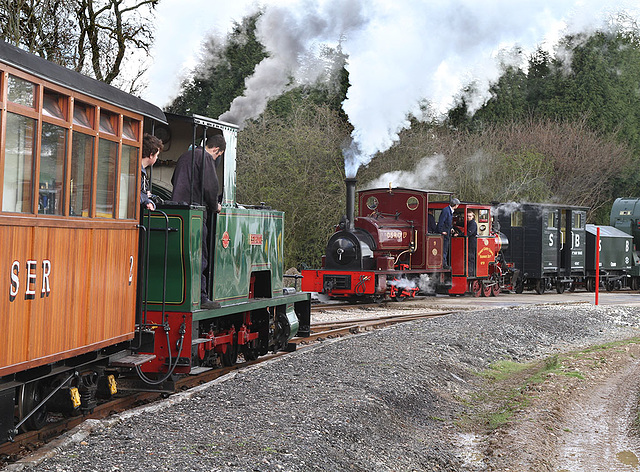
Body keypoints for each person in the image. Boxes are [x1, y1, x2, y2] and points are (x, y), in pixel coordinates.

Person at [171, 134, 226, 310]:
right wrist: (214, 205)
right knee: (199, 257)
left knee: (179, 256)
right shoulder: (206, 157)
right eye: (218, 155)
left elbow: (174, 180)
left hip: (177, 213)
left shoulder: (185, 156)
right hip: (195, 214)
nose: (217, 158)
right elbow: (210, 187)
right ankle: (200, 296)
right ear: (216, 149)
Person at [141, 133, 163, 210]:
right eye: (156, 155)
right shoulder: (138, 171)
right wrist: (146, 198)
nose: (157, 158)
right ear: (151, 155)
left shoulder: (141, 171)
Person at [436, 198, 459, 268]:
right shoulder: (446, 210)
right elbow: (441, 221)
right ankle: (443, 264)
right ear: (455, 205)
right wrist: (441, 231)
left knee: (446, 248)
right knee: (444, 249)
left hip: (447, 232)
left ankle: (445, 263)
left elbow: (447, 222)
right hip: (444, 233)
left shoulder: (450, 211)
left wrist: (451, 228)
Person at [467, 211, 478, 276]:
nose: (468, 217)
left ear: (473, 216)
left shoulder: (473, 223)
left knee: (471, 257)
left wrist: (459, 234)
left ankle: (471, 273)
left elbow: (469, 233)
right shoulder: (468, 223)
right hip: (469, 241)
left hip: (472, 242)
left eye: (470, 216)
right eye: (467, 216)